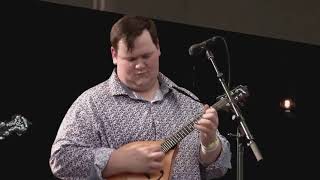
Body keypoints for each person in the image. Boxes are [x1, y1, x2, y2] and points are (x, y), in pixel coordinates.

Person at [49, 15, 232, 180]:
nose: (139, 66)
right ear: (114, 55)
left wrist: (210, 144)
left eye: (146, 56)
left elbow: (218, 169)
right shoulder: (92, 103)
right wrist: (117, 160)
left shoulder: (189, 102)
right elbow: (62, 159)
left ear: (158, 48)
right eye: (131, 59)